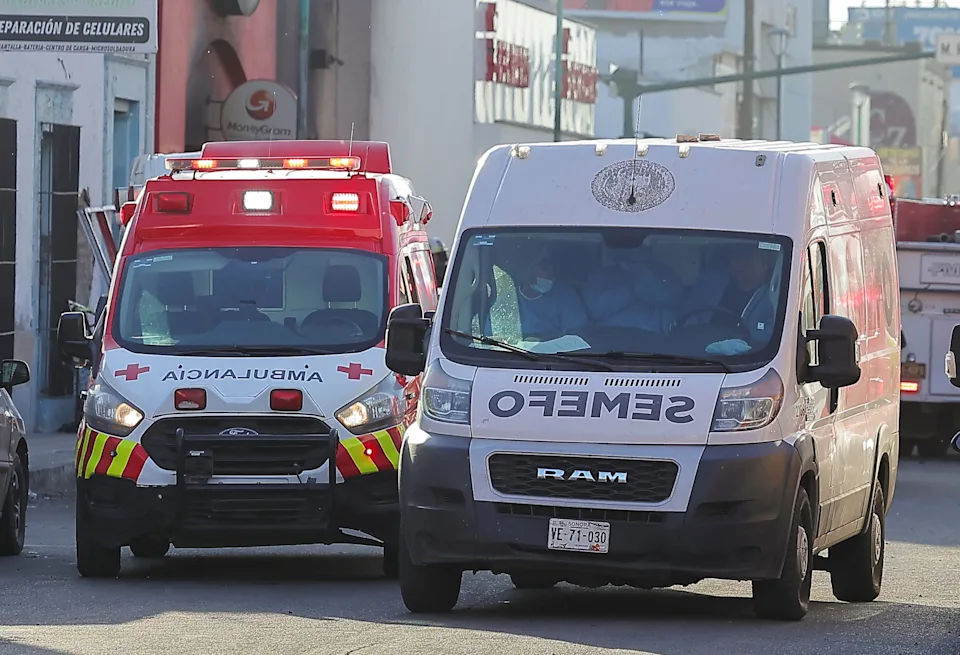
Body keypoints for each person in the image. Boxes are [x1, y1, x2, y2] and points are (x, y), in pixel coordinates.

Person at [514, 253, 588, 338]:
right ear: (527, 269)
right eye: (544, 267)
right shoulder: (508, 298)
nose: (550, 272)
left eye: (551, 266)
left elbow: (576, 336)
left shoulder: (565, 296)